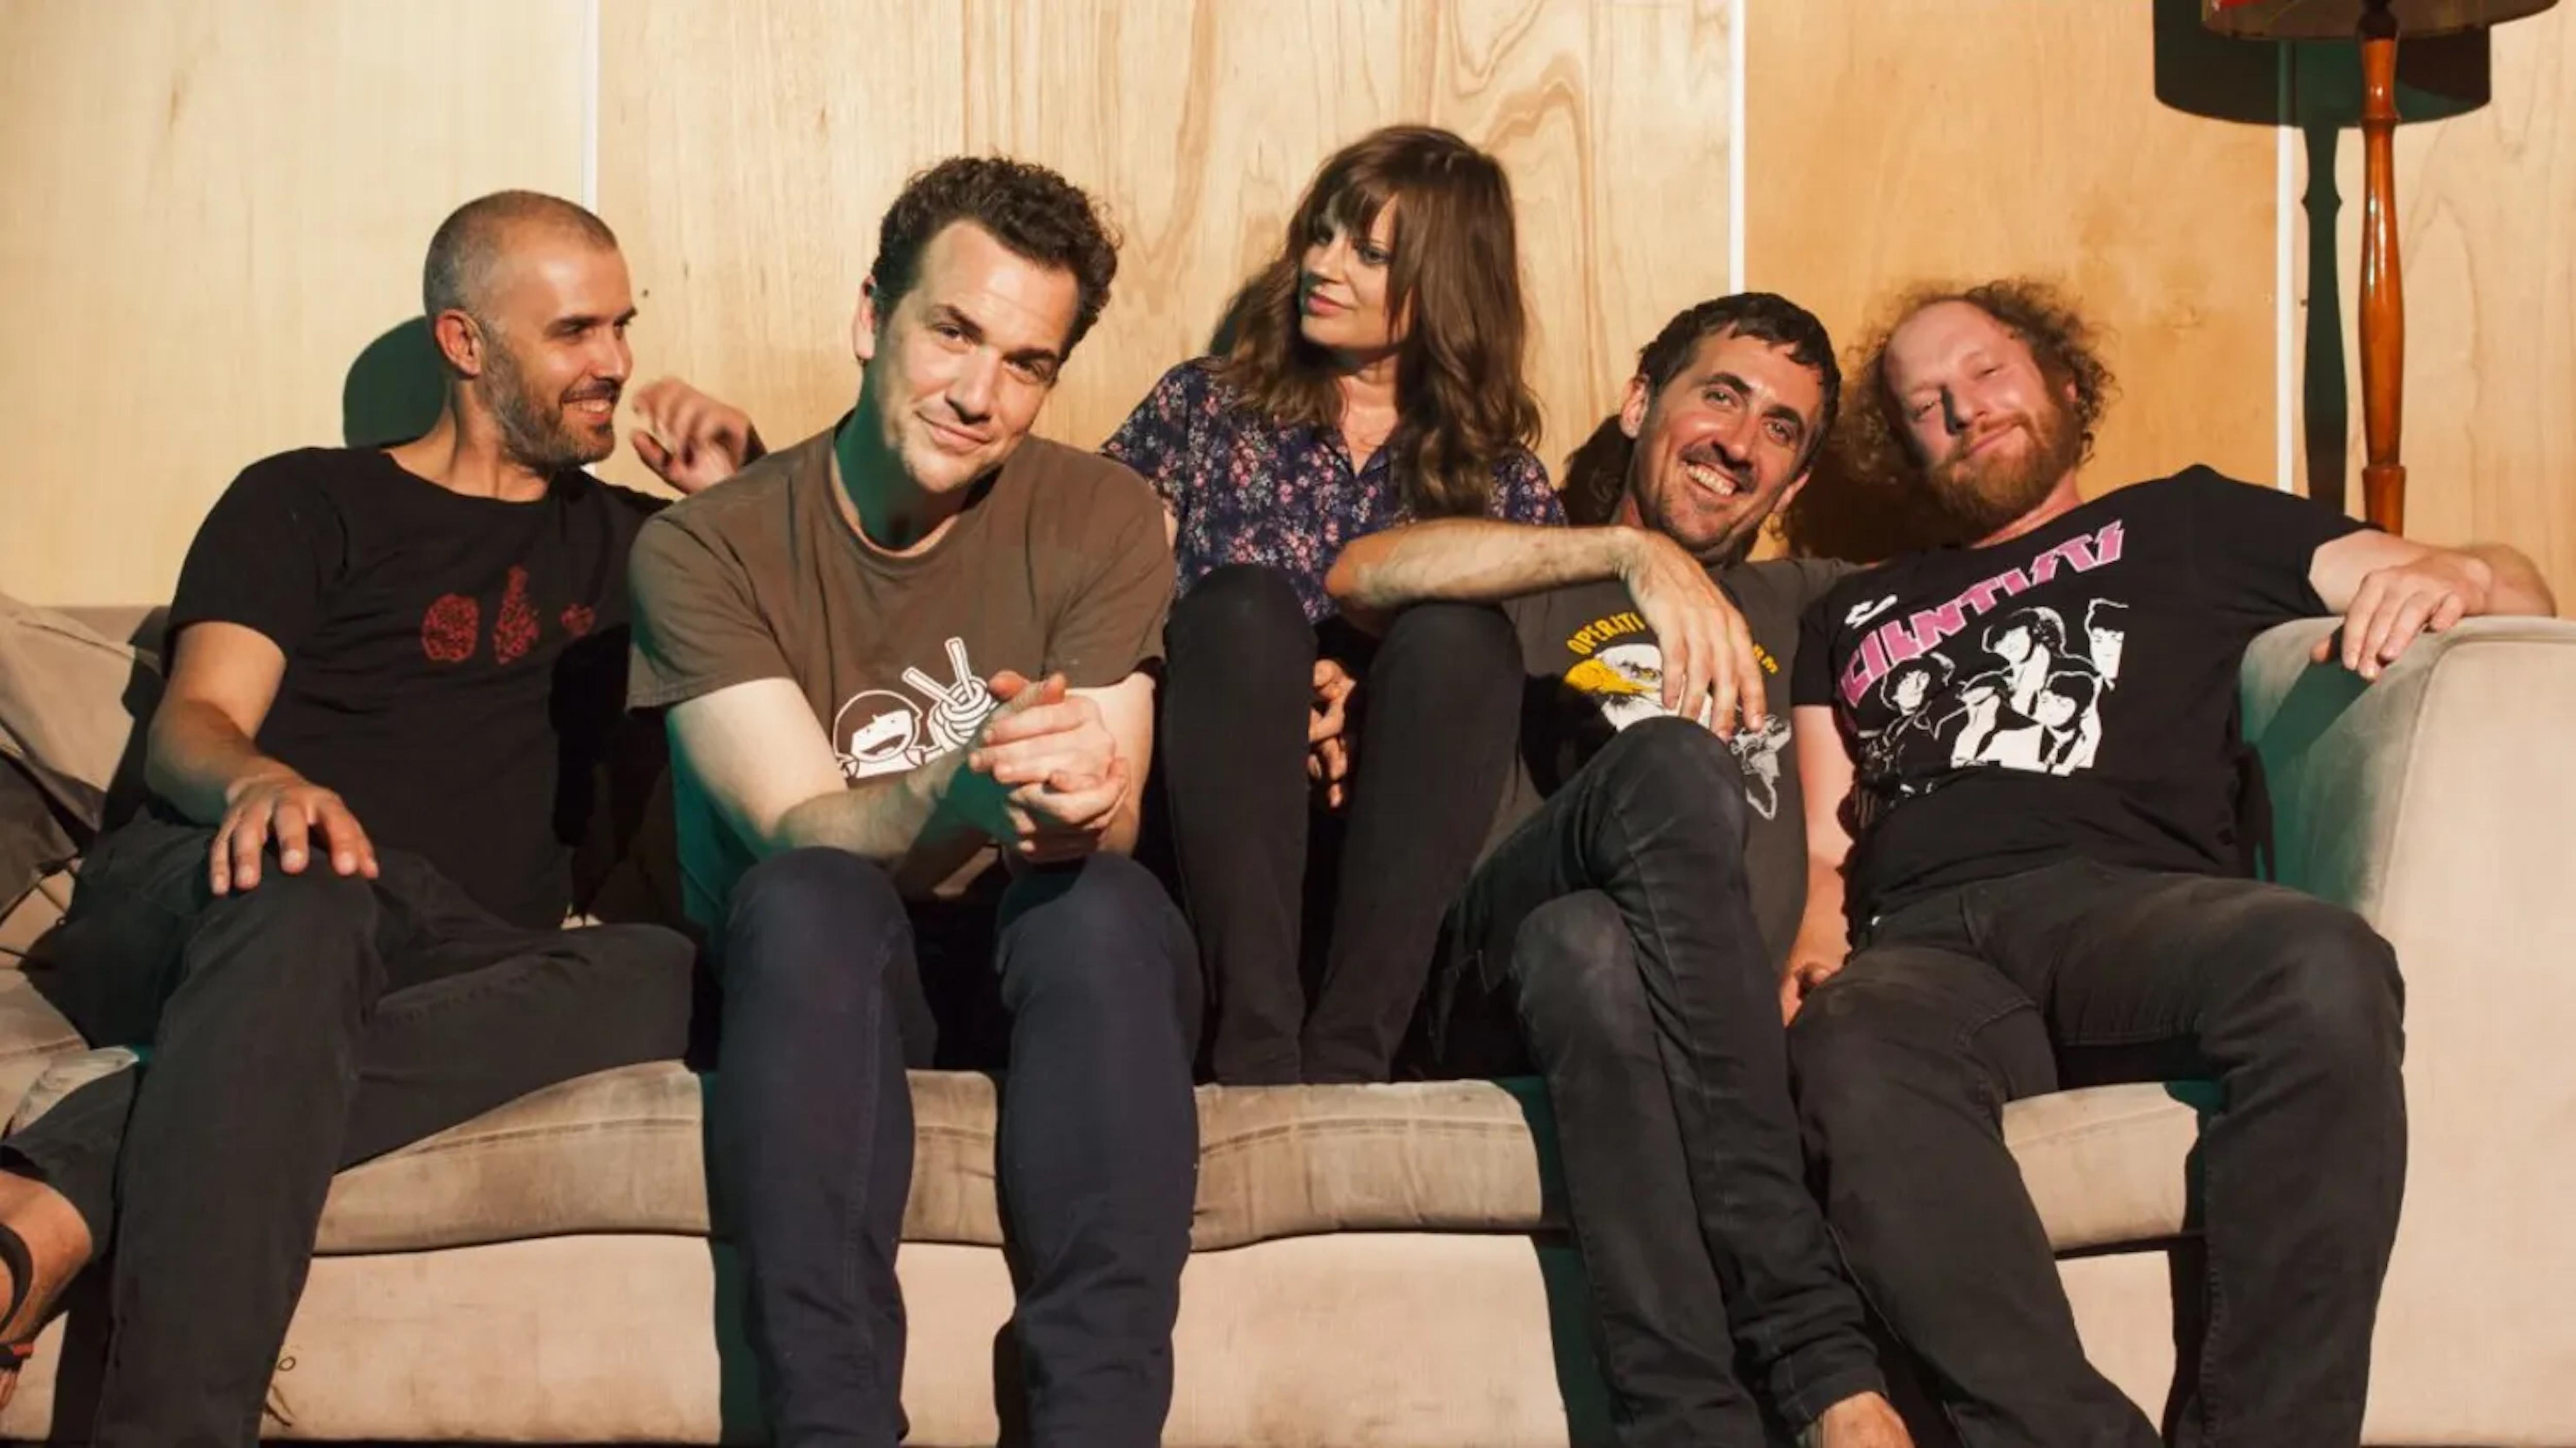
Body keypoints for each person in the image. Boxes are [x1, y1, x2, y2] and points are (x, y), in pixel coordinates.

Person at [1782, 279, 2558, 1447]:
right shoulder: (1851, 611)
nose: (1963, 408)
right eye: (1926, 402)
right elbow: (1823, 838)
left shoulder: (2185, 521)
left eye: (1987, 371)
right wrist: (1812, 937)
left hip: (2132, 910)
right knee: (1848, 1042)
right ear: (1906, 446)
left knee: (2319, 963)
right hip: (1924, 941)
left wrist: (2463, 572)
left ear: (2064, 383)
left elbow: (2508, 583)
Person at [630, 126, 1564, 1086]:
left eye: (1368, 251)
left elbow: (1496, 681)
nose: (1322, 264)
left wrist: (1366, 692)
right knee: (1241, 613)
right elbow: (1012, 533)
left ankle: (1354, 1058)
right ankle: (1252, 1054)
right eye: (1319, 233)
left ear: (1446, 278)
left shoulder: (1502, 480)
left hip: (1386, 850)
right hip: (1224, 842)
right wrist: (748, 481)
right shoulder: (1209, 411)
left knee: (1462, 642)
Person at [0, 191, 703, 1445]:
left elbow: (825, 629)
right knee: (309, 896)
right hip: (224, 889)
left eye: (624, 326)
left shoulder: (644, 549)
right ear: (466, 343)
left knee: (668, 971)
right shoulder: (307, 501)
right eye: (576, 332)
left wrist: (740, 504)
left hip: (444, 944)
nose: (617, 365)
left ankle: (58, 1188)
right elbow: (196, 720)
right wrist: (263, 783)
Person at [626, 157, 1197, 1446]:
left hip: (1031, 962)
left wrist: (1068, 796)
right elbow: (796, 821)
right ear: (870, 317)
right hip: (821, 983)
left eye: (1028, 361)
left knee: (1101, 905)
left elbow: (1105, 808)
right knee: (809, 895)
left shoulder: (1105, 514)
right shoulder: (703, 545)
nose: (980, 395)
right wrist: (965, 775)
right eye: (954, 331)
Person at [1324, 293, 1908, 1448]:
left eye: (1782, 431)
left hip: (1643, 996)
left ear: (1791, 487)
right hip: (1482, 986)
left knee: (1587, 948)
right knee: (1666, 769)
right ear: (1642, 401)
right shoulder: (1540, 574)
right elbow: (1360, 572)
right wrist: (1623, 551)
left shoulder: (1802, 605)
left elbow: (2010, 576)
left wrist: (1830, 903)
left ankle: (1690, 1426)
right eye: (1720, 395)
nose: (1741, 442)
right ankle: (1816, 1352)